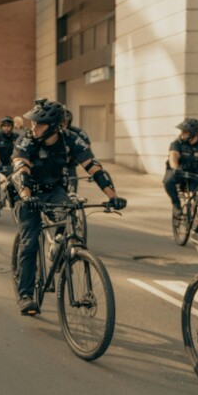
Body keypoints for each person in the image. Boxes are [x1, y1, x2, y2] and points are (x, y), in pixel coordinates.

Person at [11, 99, 126, 315]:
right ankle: (26, 295)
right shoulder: (26, 140)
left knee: (72, 215)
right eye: (33, 123)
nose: (33, 127)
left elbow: (93, 166)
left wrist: (113, 196)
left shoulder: (69, 140)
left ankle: (60, 244)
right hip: (27, 192)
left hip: (55, 190)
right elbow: (20, 169)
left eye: (39, 124)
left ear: (54, 127)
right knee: (29, 242)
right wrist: (27, 196)